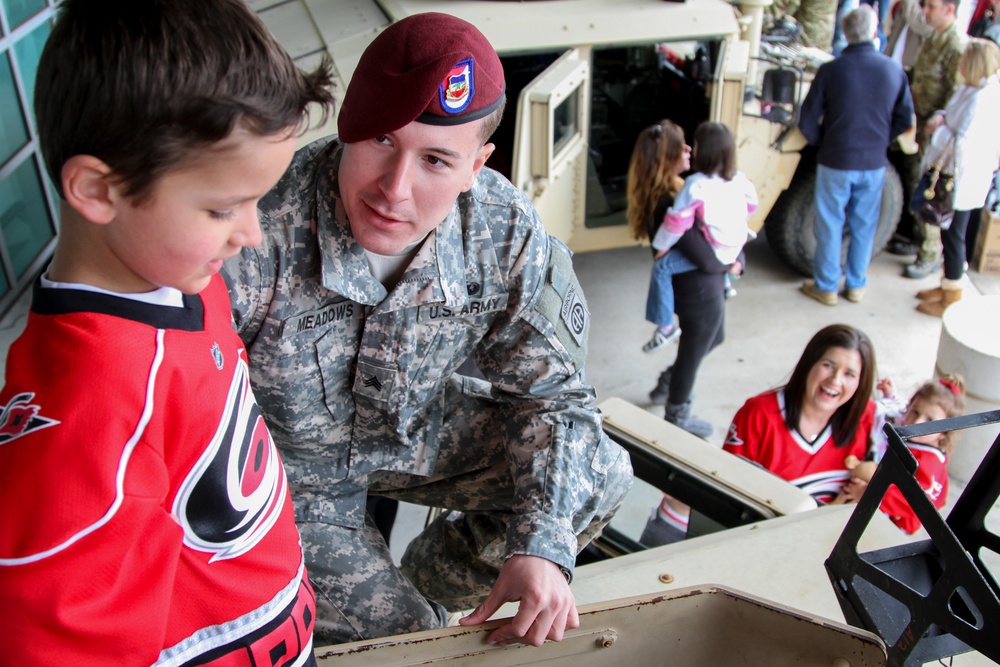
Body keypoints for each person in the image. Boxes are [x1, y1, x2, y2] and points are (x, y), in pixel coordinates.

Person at [222, 12, 633, 648]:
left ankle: (430, 584)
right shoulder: (258, 225)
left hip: (412, 434)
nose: (395, 189)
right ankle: (410, 614)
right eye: (381, 141)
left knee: (598, 475)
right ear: (349, 126)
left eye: (436, 160)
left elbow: (554, 397)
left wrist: (544, 547)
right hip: (288, 478)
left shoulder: (502, 229)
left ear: (478, 164)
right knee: (407, 639)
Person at [0, 1, 335, 664]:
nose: (251, 234)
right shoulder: (88, 416)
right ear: (99, 191)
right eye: (221, 208)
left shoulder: (183, 275)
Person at [625, 121, 744, 439]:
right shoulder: (667, 203)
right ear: (667, 157)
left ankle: (669, 382)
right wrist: (731, 262)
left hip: (701, 289)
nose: (690, 150)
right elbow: (706, 256)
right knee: (694, 352)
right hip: (698, 294)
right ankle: (677, 415)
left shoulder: (680, 189)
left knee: (713, 339)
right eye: (682, 146)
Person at [799, 5, 915, 306]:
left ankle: (825, 287)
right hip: (873, 162)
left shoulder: (830, 70)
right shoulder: (893, 70)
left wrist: (822, 142)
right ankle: (856, 285)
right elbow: (905, 119)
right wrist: (881, 139)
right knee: (864, 224)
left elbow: (807, 120)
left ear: (845, 34)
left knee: (830, 223)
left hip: (836, 159)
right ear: (875, 32)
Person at [722, 324, 878, 504]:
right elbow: (728, 488)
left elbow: (908, 509)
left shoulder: (868, 416)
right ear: (808, 363)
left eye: (849, 374)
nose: (835, 380)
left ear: (861, 382)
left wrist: (873, 496)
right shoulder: (759, 414)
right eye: (828, 365)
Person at [641, 122, 756, 353]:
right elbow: (751, 205)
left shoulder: (694, 187)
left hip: (712, 267)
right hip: (732, 246)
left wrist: (661, 247)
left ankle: (665, 327)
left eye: (693, 144)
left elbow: (676, 226)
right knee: (706, 344)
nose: (690, 150)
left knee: (662, 268)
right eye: (682, 146)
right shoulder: (739, 179)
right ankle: (727, 285)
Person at [914, 38, 1000, 316]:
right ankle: (947, 284)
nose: (960, 63)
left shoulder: (982, 97)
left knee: (953, 236)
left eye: (965, 59)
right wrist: (941, 118)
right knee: (948, 232)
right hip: (960, 176)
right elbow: (953, 119)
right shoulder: (972, 89)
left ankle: (952, 294)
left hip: (963, 179)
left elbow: (962, 141)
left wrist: (937, 130)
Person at [837, 375, 967, 534]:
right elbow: (900, 411)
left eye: (929, 420)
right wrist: (890, 396)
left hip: (894, 521)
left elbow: (913, 503)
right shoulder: (920, 436)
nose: (917, 421)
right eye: (915, 411)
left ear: (944, 434)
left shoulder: (928, 463)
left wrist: (866, 493)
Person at [902, 0, 967, 279]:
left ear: (949, 9)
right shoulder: (931, 37)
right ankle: (914, 238)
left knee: (929, 191)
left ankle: (929, 253)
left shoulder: (956, 46)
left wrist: (939, 118)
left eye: (930, 7)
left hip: (936, 135)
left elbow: (957, 94)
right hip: (918, 124)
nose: (924, 12)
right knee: (913, 183)